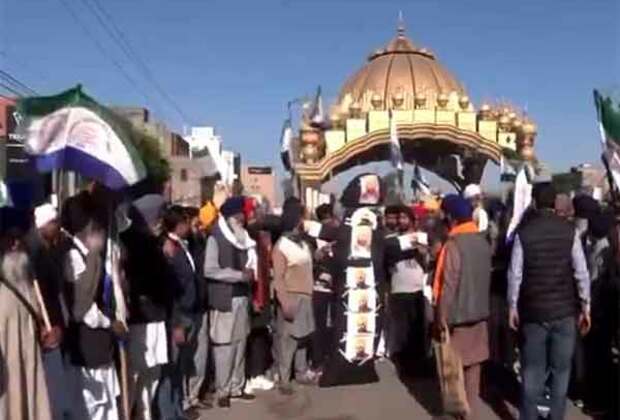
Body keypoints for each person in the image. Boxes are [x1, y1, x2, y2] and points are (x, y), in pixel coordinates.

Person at [507, 183, 591, 420]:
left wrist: (513, 306)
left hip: (533, 312)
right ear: (555, 203)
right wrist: (585, 305)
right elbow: (581, 272)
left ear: (534, 202)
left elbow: (515, 274)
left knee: (532, 373)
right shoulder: (569, 231)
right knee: (561, 372)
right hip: (564, 312)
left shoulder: (524, 233)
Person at [433, 194, 492, 419]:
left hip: (458, 316)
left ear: (450, 216)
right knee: (474, 368)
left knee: (453, 370)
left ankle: (459, 413)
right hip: (480, 313)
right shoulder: (482, 241)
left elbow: (449, 284)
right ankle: (472, 413)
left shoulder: (454, 244)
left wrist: (441, 317)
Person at [64, 218, 123, 420]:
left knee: (107, 403)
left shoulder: (95, 257)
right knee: (92, 405)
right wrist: (110, 323)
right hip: (87, 342)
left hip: (102, 342)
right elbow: (83, 306)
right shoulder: (74, 256)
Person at [121, 195, 173, 420]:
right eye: (158, 216)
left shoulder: (154, 241)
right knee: (135, 374)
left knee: (153, 372)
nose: (161, 221)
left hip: (156, 316)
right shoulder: (131, 241)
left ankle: (145, 413)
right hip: (140, 318)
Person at [204, 197, 256, 408]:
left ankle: (236, 387)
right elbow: (210, 269)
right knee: (224, 347)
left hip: (242, 298)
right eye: (242, 214)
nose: (244, 218)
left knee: (240, 343)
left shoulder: (243, 237)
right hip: (225, 299)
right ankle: (222, 390)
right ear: (234, 216)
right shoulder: (215, 238)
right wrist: (238, 276)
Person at [0, 228, 52, 420]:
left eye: (18, 239)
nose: (15, 245)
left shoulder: (29, 286)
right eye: (9, 240)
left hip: (29, 367)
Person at [25, 203, 70, 420]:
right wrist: (43, 324)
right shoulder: (34, 252)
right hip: (44, 329)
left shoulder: (50, 247)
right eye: (54, 223)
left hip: (54, 324)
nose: (58, 227)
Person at [272, 197, 317, 395]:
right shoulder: (281, 246)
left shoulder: (303, 244)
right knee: (287, 340)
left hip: (306, 296)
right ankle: (284, 378)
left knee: (303, 337)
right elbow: (279, 278)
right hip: (291, 296)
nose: (303, 222)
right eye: (301, 218)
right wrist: (284, 301)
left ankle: (300, 372)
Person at [161, 205, 202, 420]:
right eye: (186, 222)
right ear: (178, 225)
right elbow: (172, 290)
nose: (190, 226)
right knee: (172, 368)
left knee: (182, 366)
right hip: (179, 315)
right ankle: (169, 412)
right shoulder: (168, 249)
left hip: (191, 311)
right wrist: (176, 323)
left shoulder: (185, 245)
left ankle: (178, 408)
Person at [385, 205, 430, 374]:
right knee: (401, 330)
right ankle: (403, 364)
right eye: (399, 218)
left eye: (405, 218)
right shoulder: (392, 240)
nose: (401, 221)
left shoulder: (423, 238)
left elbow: (428, 263)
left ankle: (419, 364)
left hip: (416, 289)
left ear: (412, 220)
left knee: (417, 328)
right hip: (398, 289)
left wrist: (423, 251)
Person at [310, 203, 338, 375]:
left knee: (323, 326)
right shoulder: (316, 237)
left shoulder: (315, 235)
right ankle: (321, 360)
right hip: (323, 287)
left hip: (329, 288)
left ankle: (321, 360)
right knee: (324, 326)